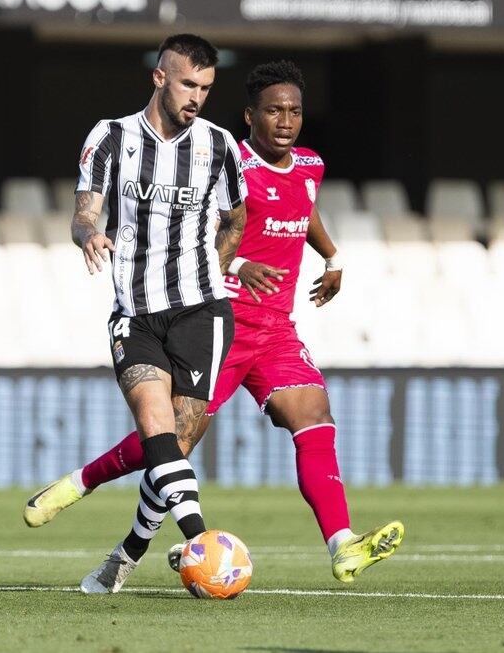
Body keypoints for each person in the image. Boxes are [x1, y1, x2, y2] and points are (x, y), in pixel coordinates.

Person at [25, 61, 403, 583]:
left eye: (294, 111)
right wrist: (239, 264)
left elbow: (303, 206)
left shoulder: (311, 165)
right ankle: (87, 491)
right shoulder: (225, 160)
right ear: (251, 116)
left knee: (314, 415)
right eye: (274, 110)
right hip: (215, 321)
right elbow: (194, 228)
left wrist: (332, 257)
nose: (286, 120)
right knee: (172, 445)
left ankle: (343, 545)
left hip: (275, 331)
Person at [62, 33, 247, 594]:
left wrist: (214, 270)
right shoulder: (111, 137)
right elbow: (81, 214)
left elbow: (237, 218)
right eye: (188, 83)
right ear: (159, 77)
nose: (197, 96)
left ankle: (131, 550)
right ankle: (204, 543)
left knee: (174, 451)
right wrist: (90, 235)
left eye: (207, 88)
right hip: (135, 315)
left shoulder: (218, 147)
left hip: (201, 312)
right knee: (155, 427)